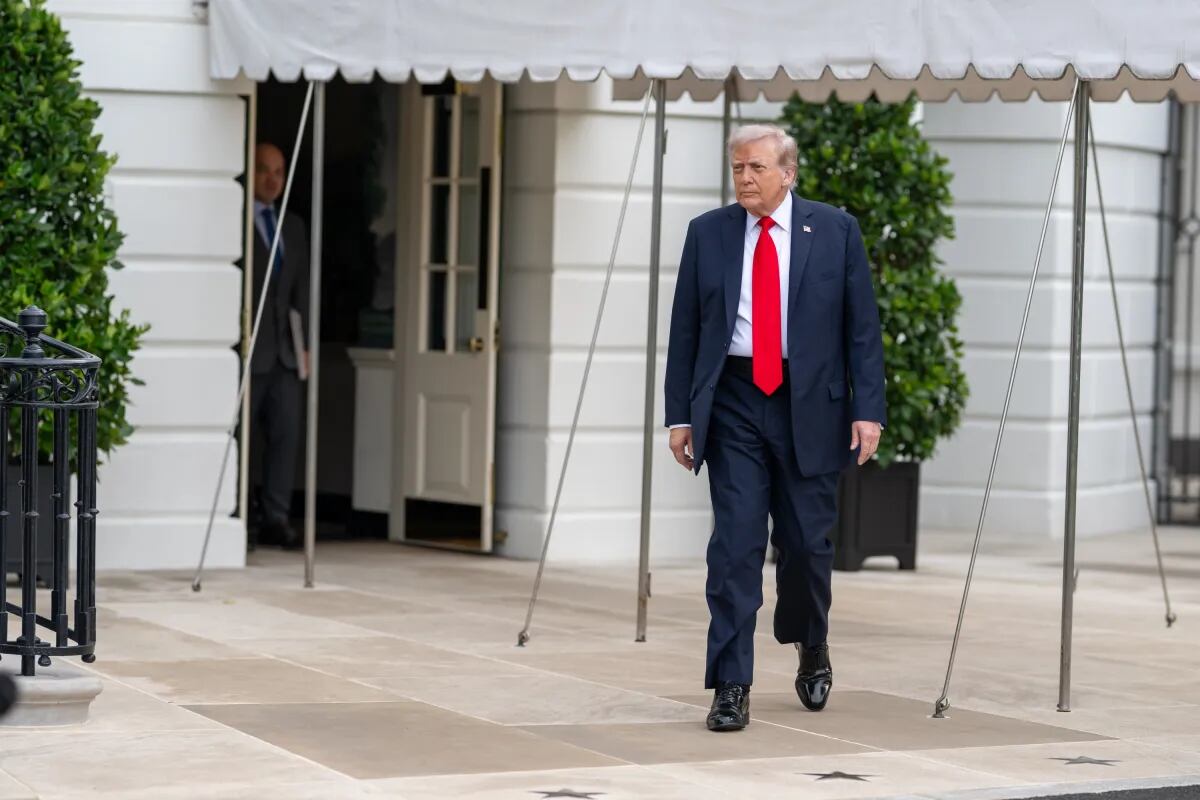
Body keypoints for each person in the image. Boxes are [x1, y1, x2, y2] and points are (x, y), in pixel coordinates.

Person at [663, 123, 886, 732]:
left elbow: (862, 328)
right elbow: (685, 328)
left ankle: (811, 639)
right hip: (734, 401)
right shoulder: (707, 232)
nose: (744, 178)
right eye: (738, 167)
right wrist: (680, 414)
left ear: (788, 174)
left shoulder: (835, 230)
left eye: (756, 168)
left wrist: (868, 410)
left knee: (806, 546)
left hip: (810, 405)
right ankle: (731, 684)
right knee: (734, 547)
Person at [247, 141, 310, 550]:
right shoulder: (236, 219)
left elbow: (301, 289)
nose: (272, 180)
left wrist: (306, 346)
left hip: (286, 351)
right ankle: (240, 514)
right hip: (249, 349)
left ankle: (276, 517)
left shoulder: (294, 226)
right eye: (264, 170)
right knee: (243, 436)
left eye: (279, 172)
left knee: (286, 435)